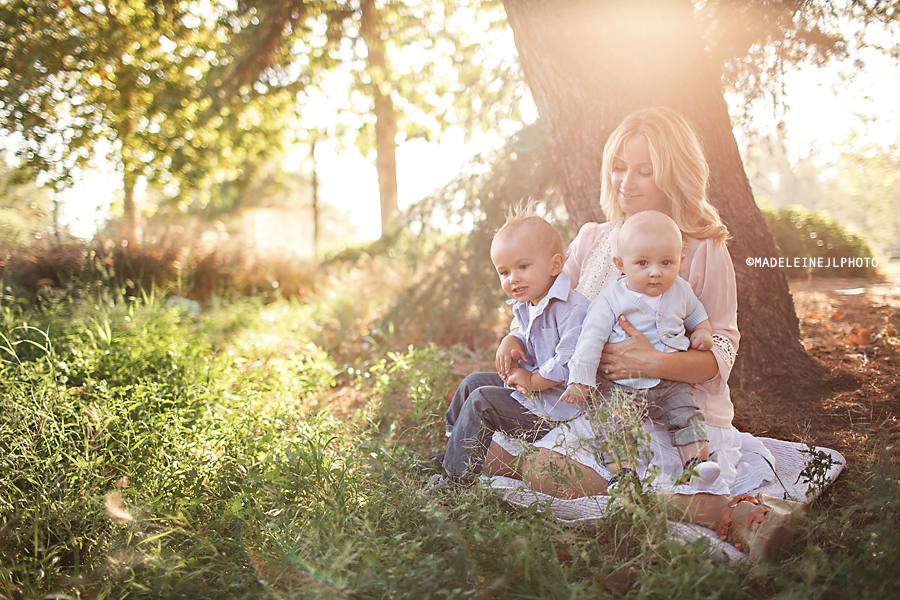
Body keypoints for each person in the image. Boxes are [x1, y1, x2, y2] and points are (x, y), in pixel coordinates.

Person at [485, 107, 804, 563]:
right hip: (605, 406)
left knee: (567, 464)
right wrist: (513, 335)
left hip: (674, 405)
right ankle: (688, 506)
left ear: (673, 175)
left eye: (644, 171)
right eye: (618, 167)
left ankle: (718, 509)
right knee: (538, 464)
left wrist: (652, 361)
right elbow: (542, 303)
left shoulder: (701, 247)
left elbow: (723, 348)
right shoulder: (593, 239)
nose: (624, 182)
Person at [425, 206, 590, 491]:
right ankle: (453, 453)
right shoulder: (527, 304)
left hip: (555, 410)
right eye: (504, 272)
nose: (512, 278)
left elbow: (570, 361)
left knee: (482, 400)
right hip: (531, 395)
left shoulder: (572, 308)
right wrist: (512, 340)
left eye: (522, 267)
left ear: (555, 265)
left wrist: (532, 380)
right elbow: (527, 338)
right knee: (472, 383)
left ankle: (455, 481)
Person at [561, 209, 720, 489]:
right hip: (621, 386)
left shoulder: (681, 290)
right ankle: (624, 475)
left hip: (670, 382)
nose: (656, 272)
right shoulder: (611, 299)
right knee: (612, 424)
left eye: (666, 262)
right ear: (621, 264)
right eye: (643, 263)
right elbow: (590, 341)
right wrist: (580, 380)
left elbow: (697, 313)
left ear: (680, 262)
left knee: (687, 412)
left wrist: (704, 332)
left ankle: (695, 465)